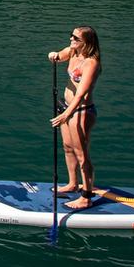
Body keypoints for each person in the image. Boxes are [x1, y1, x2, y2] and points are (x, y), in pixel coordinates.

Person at [48, 26, 101, 209]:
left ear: (86, 42)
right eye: (70, 36)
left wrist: (65, 115)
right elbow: (61, 55)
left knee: (81, 154)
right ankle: (72, 183)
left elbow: (80, 95)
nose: (71, 40)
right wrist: (54, 55)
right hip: (65, 108)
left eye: (76, 38)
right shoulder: (73, 52)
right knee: (67, 148)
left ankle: (86, 197)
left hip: (81, 112)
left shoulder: (91, 63)